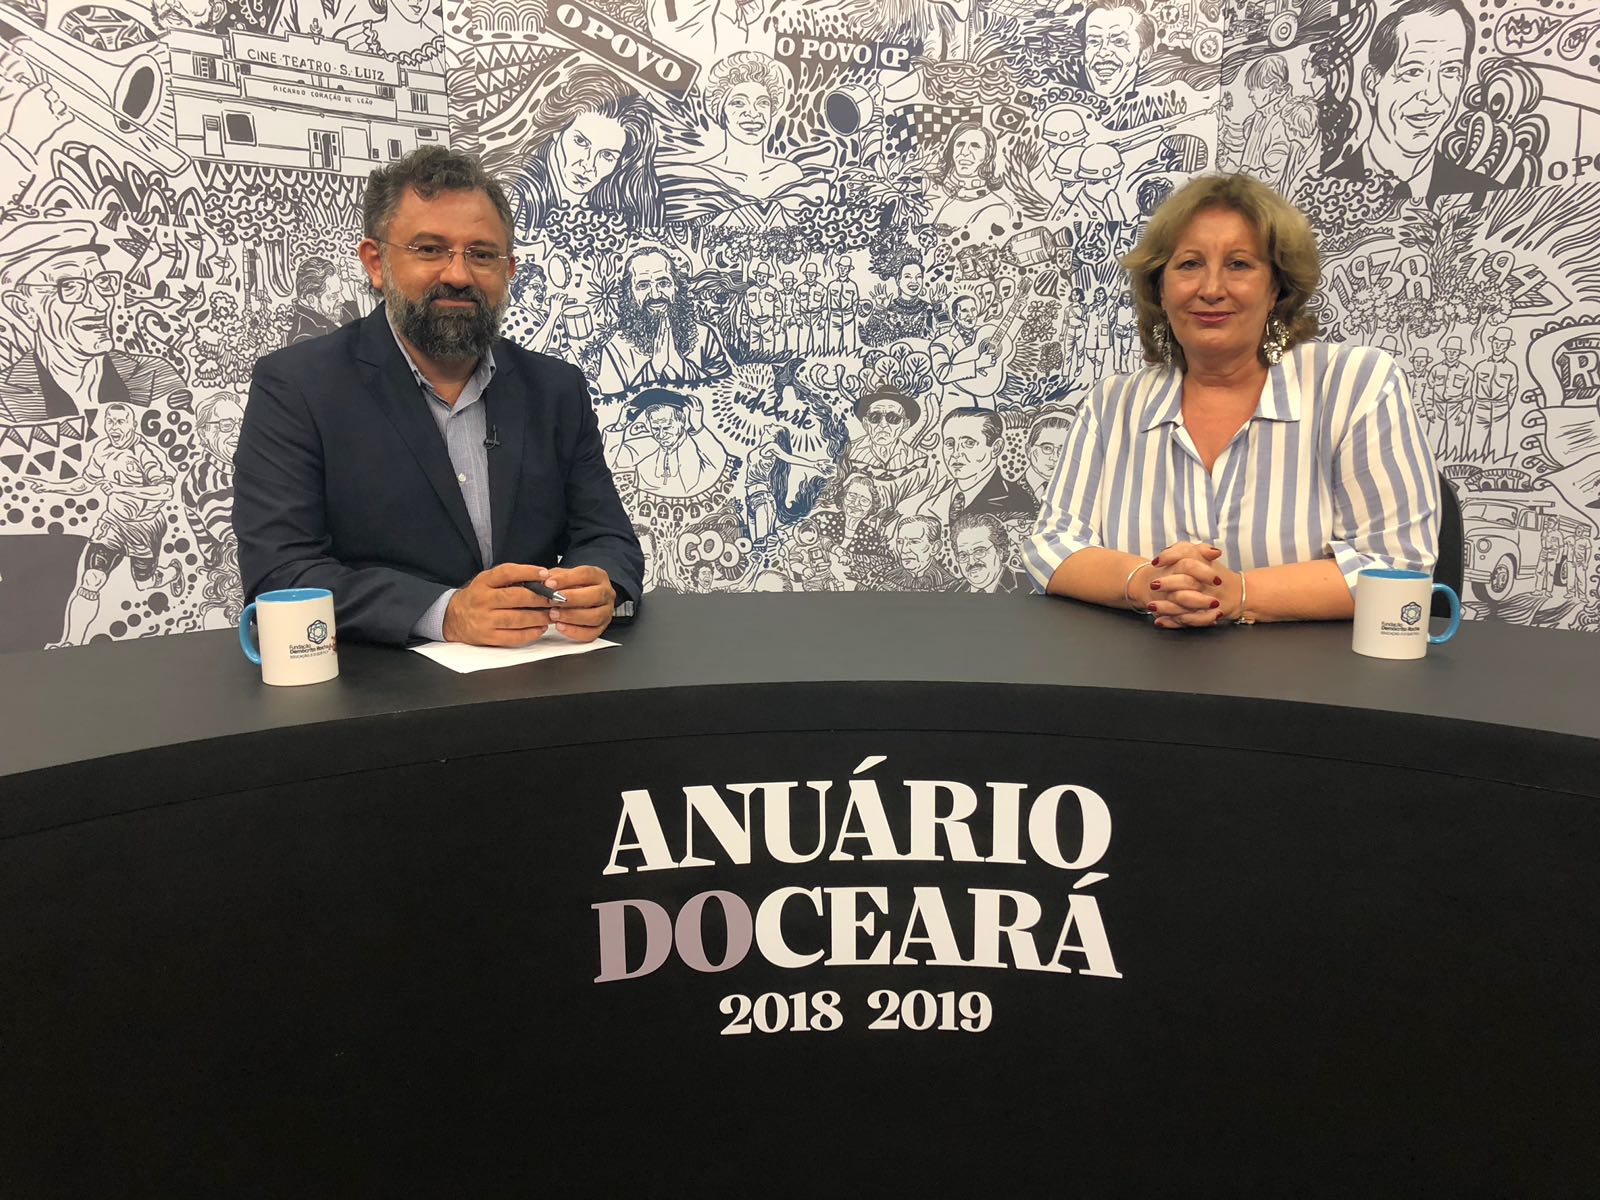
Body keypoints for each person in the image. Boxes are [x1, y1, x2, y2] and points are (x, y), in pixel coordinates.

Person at [233, 146, 643, 647]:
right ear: (376, 263)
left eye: (482, 254)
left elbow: (607, 537)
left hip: (540, 674)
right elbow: (281, 571)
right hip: (379, 684)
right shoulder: (297, 387)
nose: (458, 275)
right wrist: (444, 614)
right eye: (430, 250)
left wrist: (599, 584)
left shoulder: (556, 389)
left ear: (509, 270)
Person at [1024, 172, 1439, 628]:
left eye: (1239, 264)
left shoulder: (1355, 385)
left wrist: (1237, 592)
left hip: (1309, 671)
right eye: (1189, 264)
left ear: (1276, 288)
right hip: (1141, 666)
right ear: (1160, 289)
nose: (1211, 288)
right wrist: (1147, 583)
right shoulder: (1113, 404)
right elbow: (1052, 546)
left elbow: (1398, 566)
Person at [0, 220, 188, 424]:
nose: (100, 303)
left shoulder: (154, 375)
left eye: (103, 282)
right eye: (71, 287)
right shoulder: (5, 398)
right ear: (23, 308)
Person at [1327, 0, 1502, 201]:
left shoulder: (1487, 196)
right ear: (1371, 84)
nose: (1433, 95)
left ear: (1463, 79)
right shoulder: (1322, 192)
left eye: (1450, 70)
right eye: (1413, 71)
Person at [486, 64, 663, 233]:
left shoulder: (615, 209)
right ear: (557, 130)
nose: (588, 165)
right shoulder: (515, 197)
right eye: (581, 142)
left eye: (607, 155)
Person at [596, 245, 731, 395]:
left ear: (676, 287)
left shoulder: (704, 336)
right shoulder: (615, 349)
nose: (655, 294)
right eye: (643, 285)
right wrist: (655, 367)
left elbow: (724, 392)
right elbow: (610, 405)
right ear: (630, 293)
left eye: (663, 283)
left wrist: (679, 364)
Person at [286, 256, 343, 345]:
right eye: (333, 296)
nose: (342, 300)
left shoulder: (332, 311)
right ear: (311, 299)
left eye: (340, 293)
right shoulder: (303, 337)